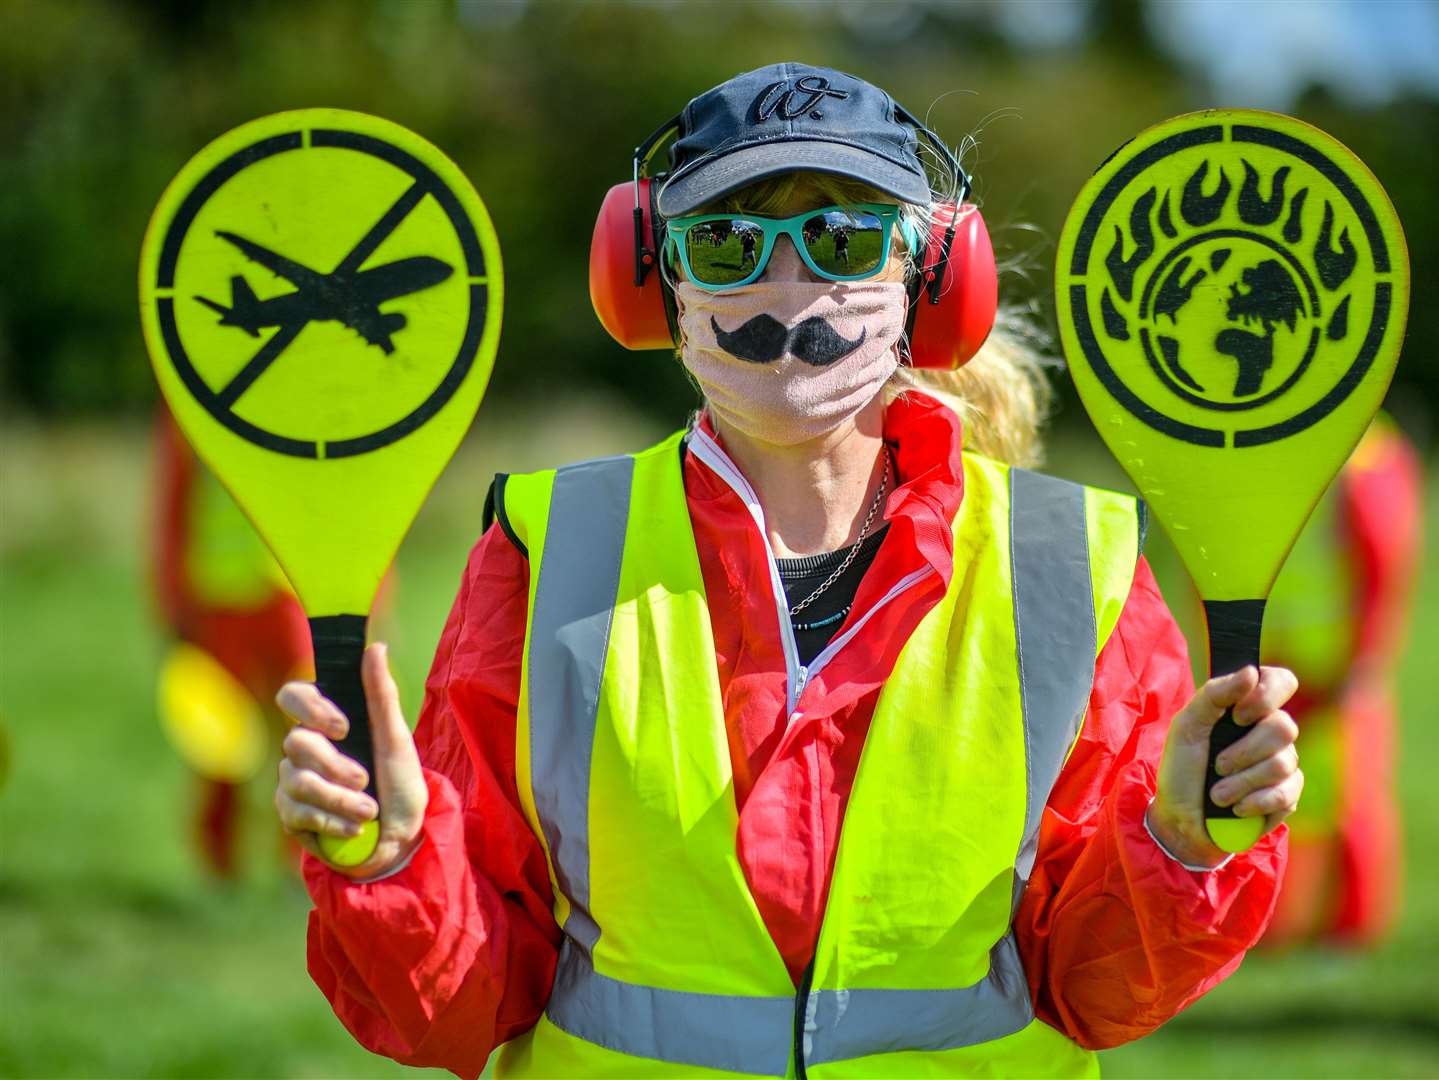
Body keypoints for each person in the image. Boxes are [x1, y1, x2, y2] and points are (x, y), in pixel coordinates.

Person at [273, 63, 1303, 1078]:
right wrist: (396, 864)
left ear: (931, 276)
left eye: (843, 239)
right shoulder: (547, 549)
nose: (788, 285)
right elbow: (462, 1013)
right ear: (652, 280)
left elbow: (1096, 991)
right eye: (725, 243)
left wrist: (1178, 843)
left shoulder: (1069, 566)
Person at [1258, 415, 1421, 947]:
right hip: (1280, 662)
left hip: (1334, 666)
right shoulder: (1291, 450)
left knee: (1352, 799)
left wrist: (1367, 662)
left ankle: (1350, 933)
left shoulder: (1363, 458)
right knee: (1279, 796)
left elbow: (1383, 565)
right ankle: (1276, 926)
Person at [152, 403, 312, 877]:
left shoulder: (309, 390)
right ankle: (219, 865)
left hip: (292, 592)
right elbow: (173, 504)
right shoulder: (189, 396)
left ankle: (302, 864)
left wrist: (373, 592)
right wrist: (172, 598)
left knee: (309, 733)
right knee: (219, 738)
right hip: (219, 594)